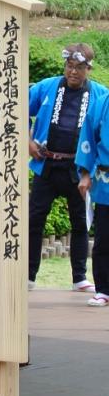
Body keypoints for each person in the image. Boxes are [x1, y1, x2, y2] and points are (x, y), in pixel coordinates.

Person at [27, 43, 107, 292]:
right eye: (69, 66)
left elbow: (99, 134)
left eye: (79, 67)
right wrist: (27, 141)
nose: (73, 72)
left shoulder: (100, 95)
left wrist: (90, 169)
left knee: (80, 222)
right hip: (46, 163)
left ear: (88, 69)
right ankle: (28, 275)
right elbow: (15, 110)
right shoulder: (46, 86)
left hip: (78, 167)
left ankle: (79, 278)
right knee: (34, 219)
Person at [76, 85, 109, 306]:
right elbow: (87, 139)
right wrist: (85, 174)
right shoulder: (102, 103)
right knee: (104, 238)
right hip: (106, 180)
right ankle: (104, 289)